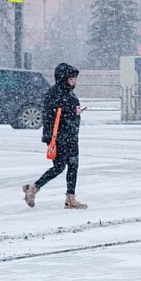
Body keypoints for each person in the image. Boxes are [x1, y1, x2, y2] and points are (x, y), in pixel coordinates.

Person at [23, 63, 88, 209]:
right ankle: (34, 188)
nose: (74, 82)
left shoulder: (67, 93)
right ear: (63, 78)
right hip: (60, 136)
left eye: (75, 79)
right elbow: (54, 114)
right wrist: (74, 111)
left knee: (72, 165)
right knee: (60, 166)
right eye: (71, 79)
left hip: (69, 135)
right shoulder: (56, 93)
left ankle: (69, 197)